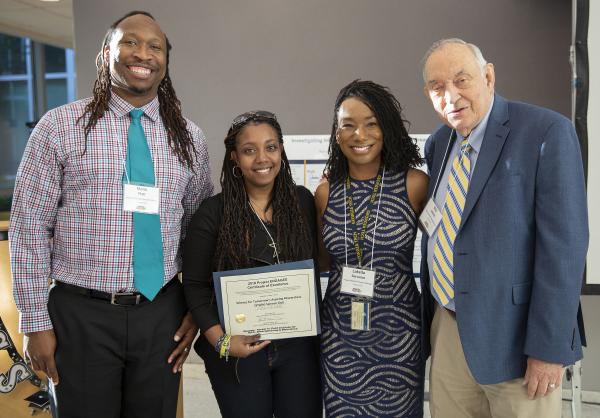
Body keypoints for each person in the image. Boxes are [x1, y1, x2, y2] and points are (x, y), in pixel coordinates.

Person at [9, 11, 213, 418]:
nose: (143, 54)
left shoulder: (189, 138)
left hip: (161, 315)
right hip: (81, 316)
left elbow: (199, 232)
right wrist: (34, 322)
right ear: (106, 54)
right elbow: (29, 227)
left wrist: (197, 308)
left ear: (166, 63)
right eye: (130, 42)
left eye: (155, 46)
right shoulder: (61, 127)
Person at [419, 38, 588, 418]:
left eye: (462, 80)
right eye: (437, 88)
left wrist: (547, 349)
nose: (451, 96)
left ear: (489, 76)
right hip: (448, 330)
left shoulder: (546, 132)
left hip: (517, 340)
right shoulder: (439, 142)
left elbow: (564, 249)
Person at [182, 110, 322, 418]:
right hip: (239, 351)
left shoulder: (302, 202)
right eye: (249, 150)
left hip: (298, 348)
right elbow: (194, 285)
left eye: (270, 147)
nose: (262, 158)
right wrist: (220, 341)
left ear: (281, 151)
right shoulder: (213, 214)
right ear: (234, 157)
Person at [315, 80, 429, 417]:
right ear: (337, 134)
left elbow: (444, 250)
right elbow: (322, 262)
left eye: (371, 123)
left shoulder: (414, 184)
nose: (359, 134)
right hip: (340, 336)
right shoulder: (326, 192)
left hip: (400, 335)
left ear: (387, 129)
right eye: (348, 125)